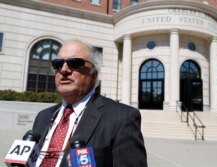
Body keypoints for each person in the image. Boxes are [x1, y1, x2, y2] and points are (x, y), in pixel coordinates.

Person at [32, 39, 148, 167]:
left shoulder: (122, 118)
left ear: (93, 74)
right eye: (58, 64)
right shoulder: (42, 116)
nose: (64, 70)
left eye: (74, 63)